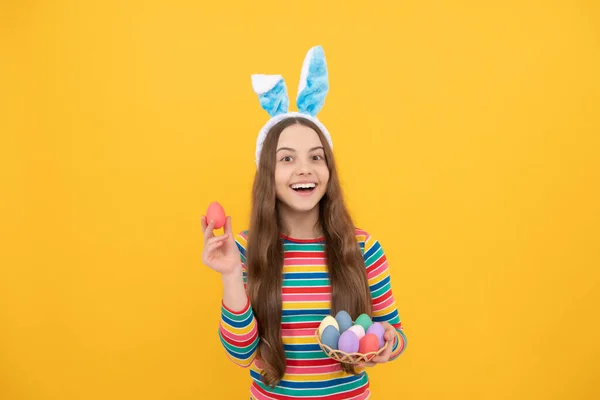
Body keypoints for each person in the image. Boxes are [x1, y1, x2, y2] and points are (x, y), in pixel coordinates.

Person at [201, 45, 407, 399]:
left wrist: (389, 341)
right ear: (268, 172)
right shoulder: (243, 251)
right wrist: (232, 275)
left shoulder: (362, 247)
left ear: (328, 169)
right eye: (287, 158)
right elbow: (241, 354)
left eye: (316, 156)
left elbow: (396, 333)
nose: (304, 169)